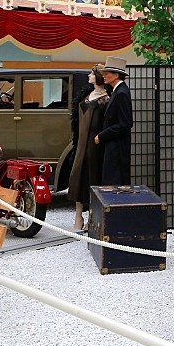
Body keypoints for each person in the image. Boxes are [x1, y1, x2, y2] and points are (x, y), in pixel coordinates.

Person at [68, 66, 109, 231]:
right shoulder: (86, 94)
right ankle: (78, 216)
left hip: (95, 144)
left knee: (93, 177)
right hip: (81, 142)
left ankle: (93, 217)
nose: (89, 75)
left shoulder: (106, 99)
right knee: (78, 176)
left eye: (92, 73)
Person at [95, 56, 132, 185]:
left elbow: (126, 123)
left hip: (117, 145)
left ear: (116, 75)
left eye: (107, 73)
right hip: (113, 143)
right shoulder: (117, 91)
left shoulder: (121, 93)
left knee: (114, 180)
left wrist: (103, 135)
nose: (104, 76)